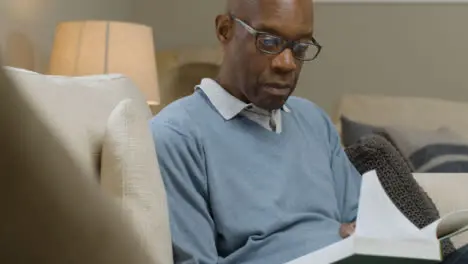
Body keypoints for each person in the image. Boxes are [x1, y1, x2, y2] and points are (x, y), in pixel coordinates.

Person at [150, 0, 468, 263]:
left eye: (300, 47)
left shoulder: (311, 119)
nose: (287, 63)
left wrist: (369, 232)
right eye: (269, 42)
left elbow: (360, 225)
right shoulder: (177, 136)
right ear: (225, 30)